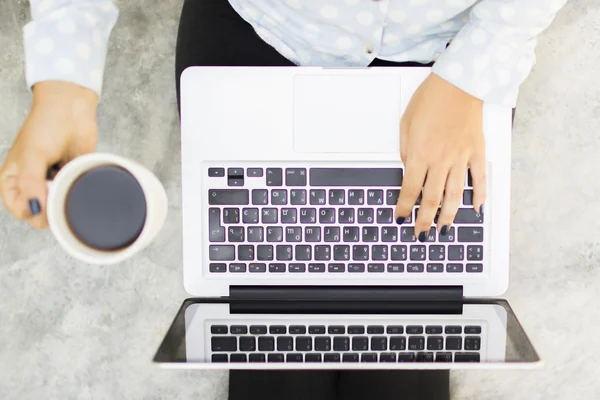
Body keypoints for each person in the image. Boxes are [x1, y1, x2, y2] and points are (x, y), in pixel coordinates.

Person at [0, 0, 567, 398]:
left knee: (400, 358)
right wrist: (64, 85)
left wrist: (474, 72)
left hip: (445, 61)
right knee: (274, 353)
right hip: (259, 28)